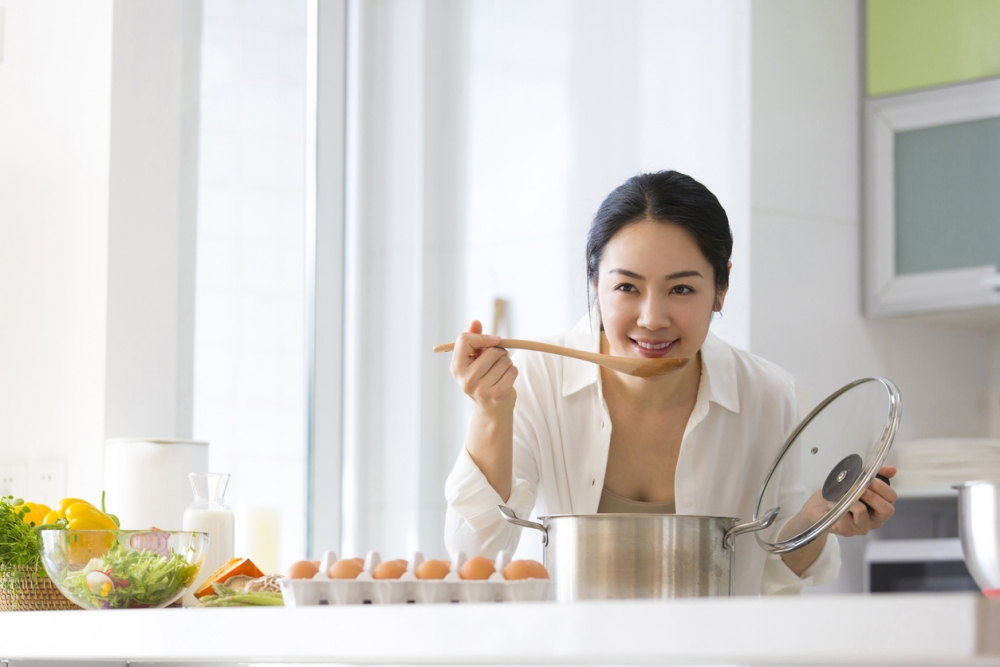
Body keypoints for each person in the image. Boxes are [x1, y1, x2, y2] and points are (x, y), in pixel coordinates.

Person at [443, 170, 897, 594]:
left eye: (681, 289)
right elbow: (474, 554)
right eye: (627, 288)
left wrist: (821, 518)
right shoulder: (537, 378)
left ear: (721, 287)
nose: (652, 318)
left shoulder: (765, 393)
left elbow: (771, 576)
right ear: (595, 281)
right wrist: (491, 413)